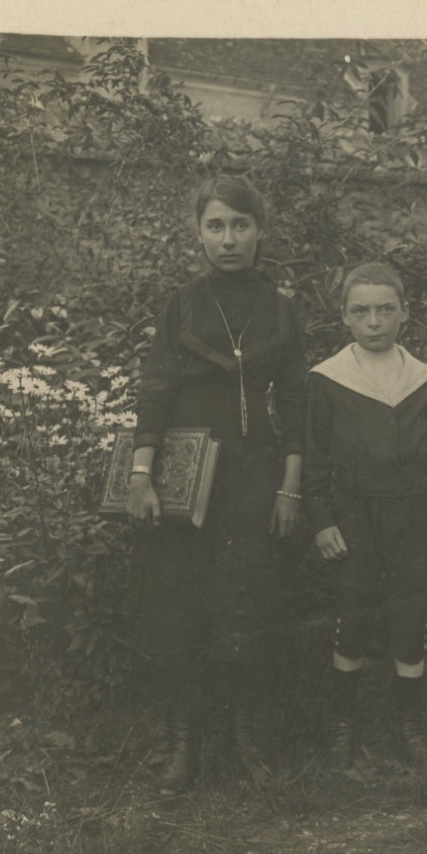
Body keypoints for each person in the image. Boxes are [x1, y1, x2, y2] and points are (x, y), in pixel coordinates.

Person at [126, 175, 306, 794]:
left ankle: (247, 740)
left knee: (246, 603)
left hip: (253, 478)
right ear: (199, 232)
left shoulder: (281, 310)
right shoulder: (182, 305)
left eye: (240, 225)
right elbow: (154, 390)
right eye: (215, 226)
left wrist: (290, 489)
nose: (228, 239)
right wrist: (142, 473)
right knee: (180, 606)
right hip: (185, 477)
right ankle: (183, 743)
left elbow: (297, 406)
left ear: (260, 231)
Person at [302, 261, 427, 774]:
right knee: (353, 608)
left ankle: (408, 723)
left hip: (413, 512)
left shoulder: (423, 380)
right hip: (353, 512)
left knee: (409, 611)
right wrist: (322, 519)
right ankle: (342, 723)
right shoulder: (328, 379)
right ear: (344, 318)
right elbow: (313, 458)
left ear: (404, 314)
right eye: (361, 311)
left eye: (385, 310)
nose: (374, 321)